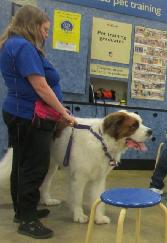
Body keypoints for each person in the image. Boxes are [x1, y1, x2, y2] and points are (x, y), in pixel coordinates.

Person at [0, 5, 76, 239]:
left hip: (19, 112)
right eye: (44, 29)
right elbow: (41, 87)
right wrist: (63, 112)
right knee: (34, 167)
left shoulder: (12, 44)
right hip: (30, 116)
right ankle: (27, 220)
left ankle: (23, 211)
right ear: (32, 26)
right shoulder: (23, 46)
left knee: (21, 165)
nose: (46, 34)